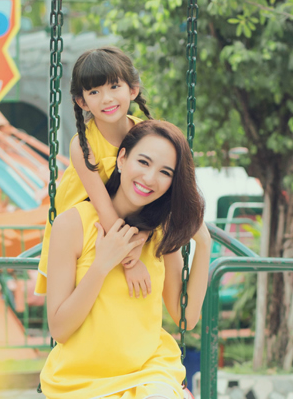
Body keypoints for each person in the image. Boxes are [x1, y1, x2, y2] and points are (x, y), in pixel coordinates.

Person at [40, 120, 211, 399]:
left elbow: (186, 318)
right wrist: (101, 265)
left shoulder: (160, 233)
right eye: (143, 162)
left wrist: (204, 244)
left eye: (165, 172)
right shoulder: (73, 225)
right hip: (82, 380)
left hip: (149, 373)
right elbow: (59, 329)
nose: (150, 178)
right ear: (122, 159)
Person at [35, 47, 154, 299]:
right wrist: (131, 261)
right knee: (72, 296)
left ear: (133, 90)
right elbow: (103, 208)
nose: (106, 99)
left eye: (114, 86)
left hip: (125, 223)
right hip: (84, 221)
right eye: (94, 92)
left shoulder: (147, 135)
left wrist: (142, 237)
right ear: (82, 101)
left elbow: (162, 194)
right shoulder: (83, 146)